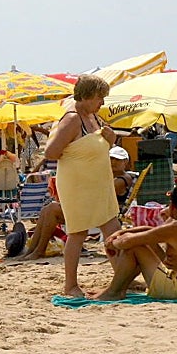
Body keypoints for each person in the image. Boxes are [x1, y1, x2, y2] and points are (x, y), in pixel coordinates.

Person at [44, 74, 122, 297]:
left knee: (113, 230)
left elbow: (96, 147)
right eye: (100, 98)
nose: (102, 103)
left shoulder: (93, 117)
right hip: (78, 184)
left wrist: (110, 140)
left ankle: (121, 277)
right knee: (78, 232)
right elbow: (51, 152)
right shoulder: (72, 119)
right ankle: (70, 285)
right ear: (88, 96)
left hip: (98, 183)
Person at [95, 185, 177, 300]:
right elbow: (153, 232)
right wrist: (120, 233)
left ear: (172, 205)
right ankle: (119, 289)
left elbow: (126, 242)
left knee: (134, 247)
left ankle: (113, 292)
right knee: (145, 241)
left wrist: (111, 244)